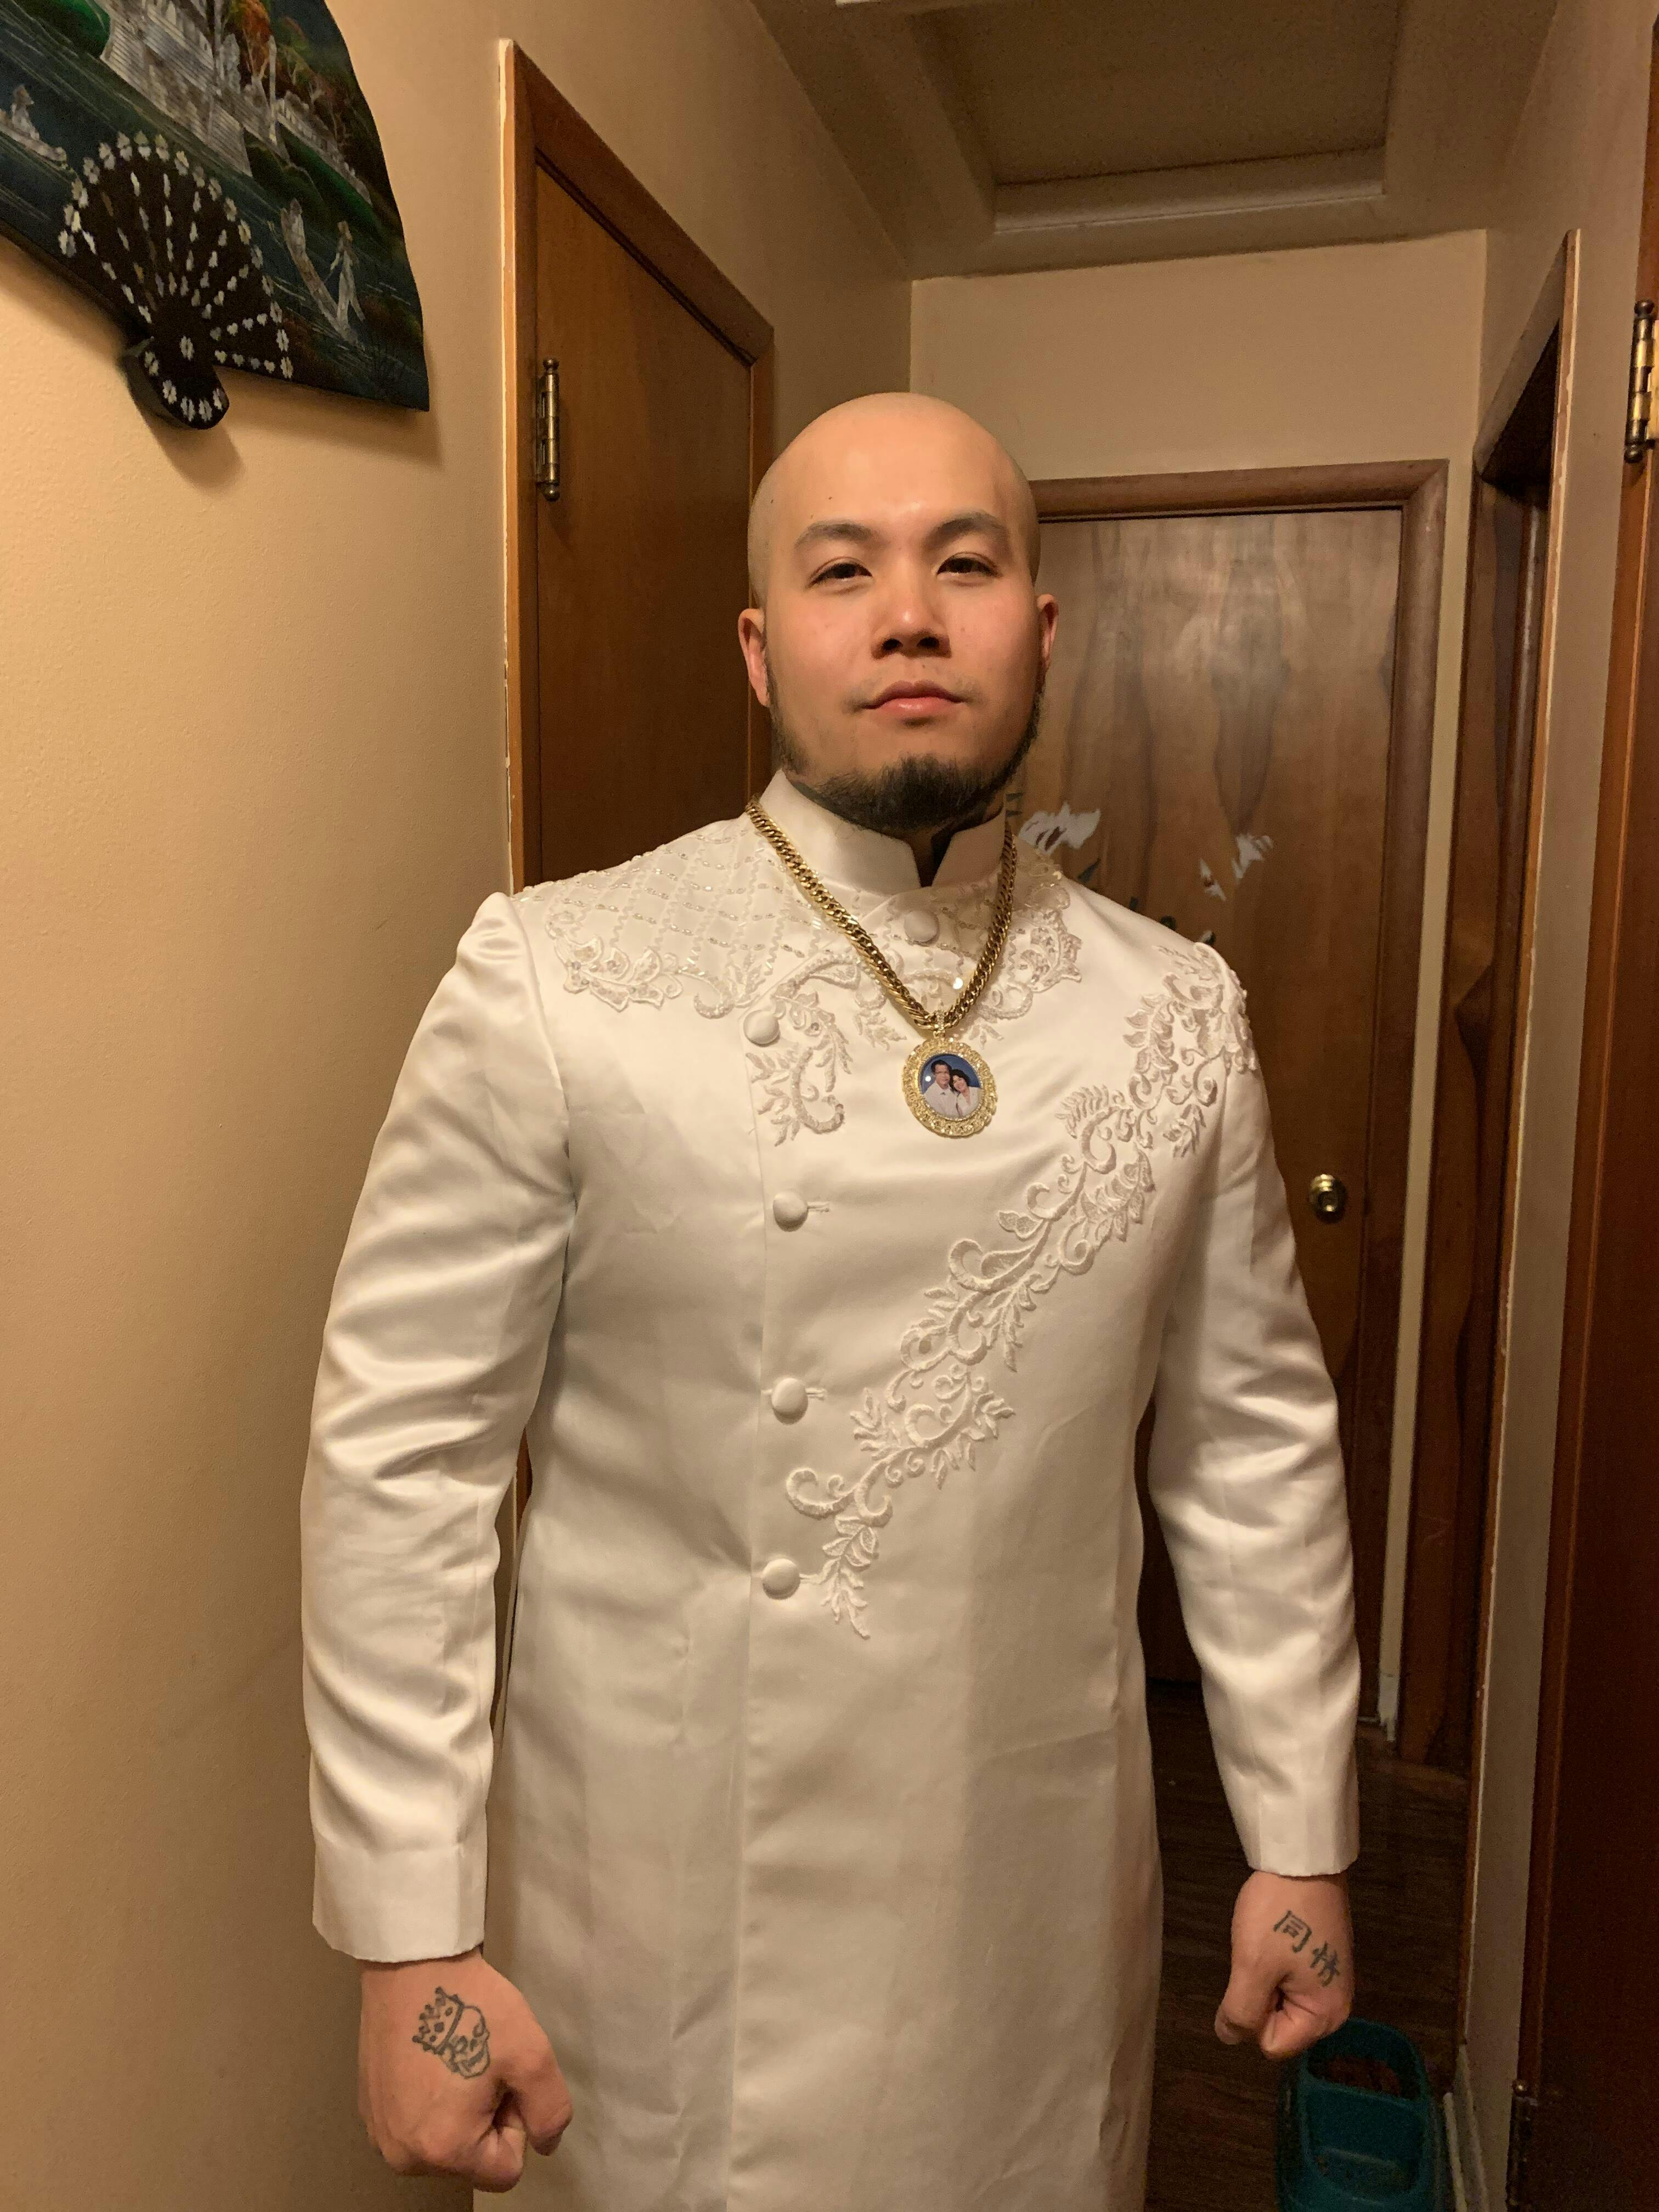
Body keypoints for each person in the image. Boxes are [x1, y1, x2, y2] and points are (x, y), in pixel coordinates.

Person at [301, 391, 1361, 2207]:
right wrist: (409, 1938)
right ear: (757, 644)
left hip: (1027, 1887)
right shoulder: (560, 976)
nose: (909, 617)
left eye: (967, 564)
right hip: (657, 1898)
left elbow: (1249, 1450)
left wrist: (1302, 1833)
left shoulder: (1176, 1015)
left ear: (1044, 627)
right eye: (843, 570)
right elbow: (402, 1460)